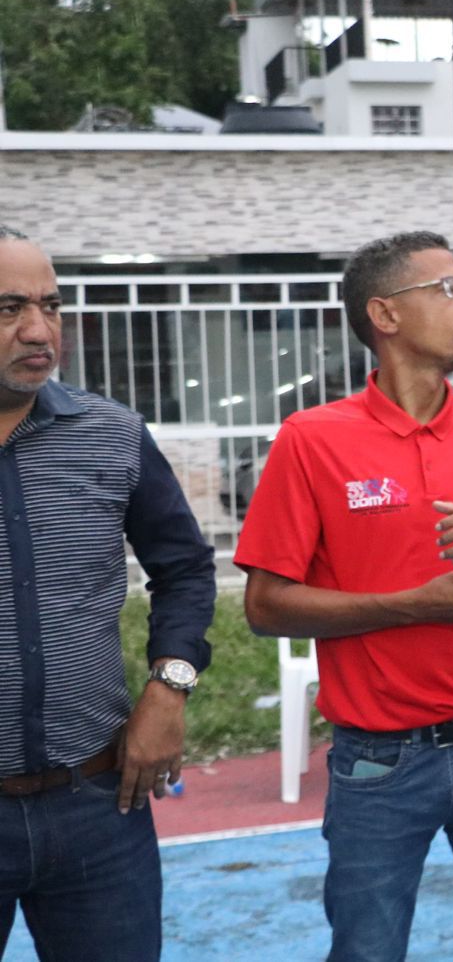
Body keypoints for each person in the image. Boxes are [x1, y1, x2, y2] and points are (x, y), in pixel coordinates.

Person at [234, 231, 453, 962]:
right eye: (447, 288)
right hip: (379, 761)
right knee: (368, 950)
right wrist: (411, 605)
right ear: (384, 315)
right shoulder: (312, 440)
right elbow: (264, 607)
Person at [0, 227, 215, 960]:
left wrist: (169, 688)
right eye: (9, 309)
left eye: (51, 305)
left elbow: (185, 568)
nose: (39, 330)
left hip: (96, 807)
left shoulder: (112, 435)